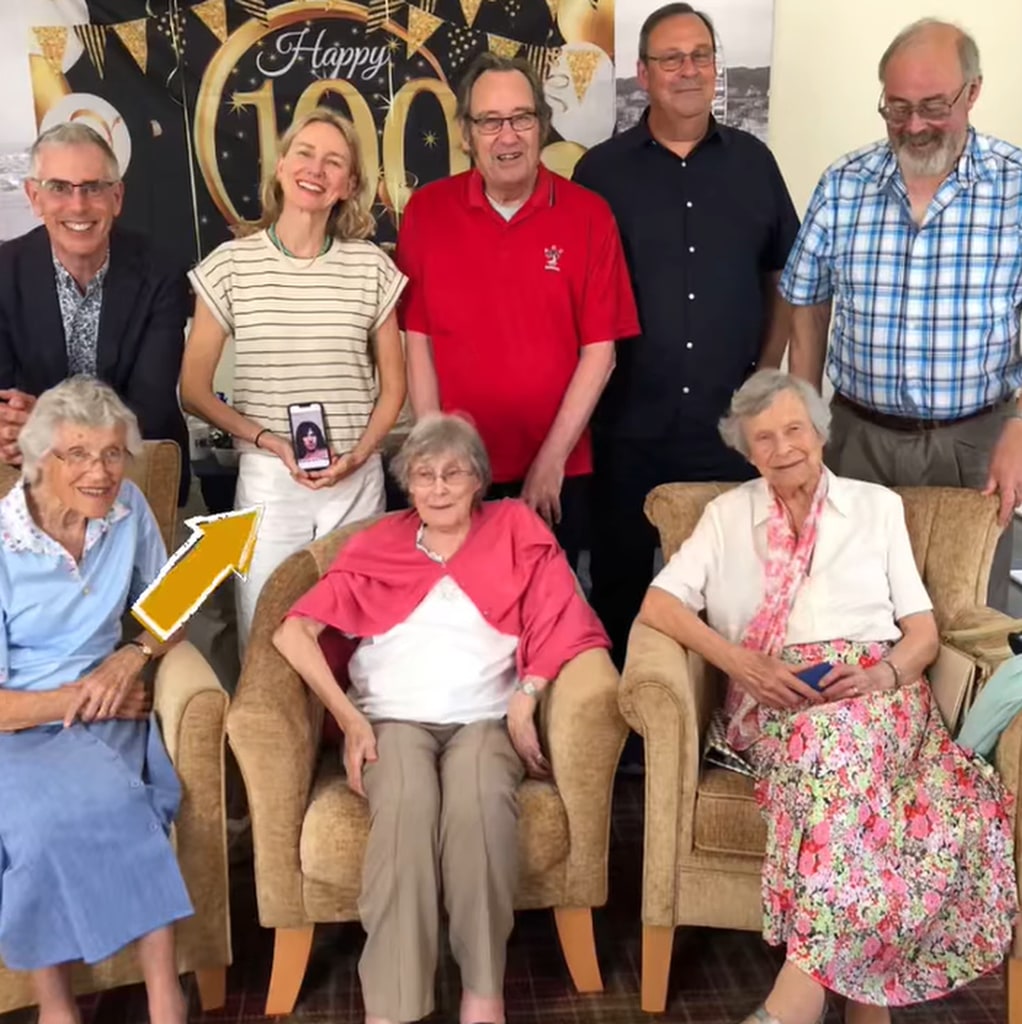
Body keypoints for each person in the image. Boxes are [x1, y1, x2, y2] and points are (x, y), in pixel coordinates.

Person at [638, 370, 1016, 1024]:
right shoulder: (726, 518)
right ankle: (866, 1005)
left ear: (820, 433)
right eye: (764, 438)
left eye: (794, 429)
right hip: (779, 696)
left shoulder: (876, 506)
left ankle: (794, 1003)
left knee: (833, 752)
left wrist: (882, 677)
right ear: (747, 453)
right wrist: (741, 665)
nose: (783, 448)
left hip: (877, 691)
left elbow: (923, 633)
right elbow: (658, 605)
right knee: (821, 746)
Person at [273, 413, 609, 1024]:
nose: (439, 486)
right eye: (424, 474)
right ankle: (396, 1007)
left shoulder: (514, 529)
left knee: (479, 803)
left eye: (454, 472)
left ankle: (483, 994)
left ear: (479, 479)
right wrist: (348, 719)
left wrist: (527, 694)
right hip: (392, 721)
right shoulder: (377, 545)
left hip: (485, 722)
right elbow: (294, 633)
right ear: (407, 484)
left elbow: (567, 618)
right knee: (405, 807)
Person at [571, 2, 800, 665]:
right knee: (617, 587)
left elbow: (784, 276)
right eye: (671, 58)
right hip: (625, 428)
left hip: (727, 429)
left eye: (701, 55)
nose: (689, 70)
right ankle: (624, 736)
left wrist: (766, 374)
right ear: (642, 73)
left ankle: (707, 734)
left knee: (729, 594)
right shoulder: (600, 174)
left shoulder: (754, 163)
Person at [781, 18, 1022, 612]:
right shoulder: (844, 182)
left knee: (966, 616)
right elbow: (808, 303)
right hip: (857, 439)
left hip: (974, 441)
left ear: (974, 92)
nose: (914, 125)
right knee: (849, 609)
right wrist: (804, 422)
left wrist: (1019, 430)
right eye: (897, 107)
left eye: (934, 106)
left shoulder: (1016, 187)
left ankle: (968, 712)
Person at [395, 53, 639, 569]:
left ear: (541, 126)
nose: (508, 136)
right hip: (457, 470)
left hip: (557, 470)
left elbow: (601, 352)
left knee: (546, 624)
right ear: (466, 133)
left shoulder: (589, 215)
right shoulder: (426, 213)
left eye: (522, 118)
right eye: (490, 121)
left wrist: (551, 461)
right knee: (460, 621)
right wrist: (438, 455)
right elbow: (417, 339)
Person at [0, 377, 193, 1024]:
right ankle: (56, 1004)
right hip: (21, 722)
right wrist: (84, 699)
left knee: (120, 796)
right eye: (78, 454)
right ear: (39, 461)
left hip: (106, 706)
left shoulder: (129, 508)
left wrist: (132, 656)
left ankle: (164, 991)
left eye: (113, 453)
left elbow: (174, 605)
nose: (100, 471)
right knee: (35, 829)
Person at [181, 107, 407, 650]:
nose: (316, 169)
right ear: (280, 167)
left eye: (334, 162)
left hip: (355, 478)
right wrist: (269, 442)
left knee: (359, 636)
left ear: (349, 185)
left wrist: (360, 455)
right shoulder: (230, 265)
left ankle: (358, 734)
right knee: (266, 629)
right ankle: (267, 737)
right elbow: (192, 389)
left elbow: (395, 391)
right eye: (304, 153)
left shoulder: (371, 267)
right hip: (268, 477)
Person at [0, 122, 191, 505]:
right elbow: (6, 401)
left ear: (117, 196)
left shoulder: (162, 271)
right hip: (30, 475)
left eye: (93, 187)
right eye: (59, 187)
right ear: (34, 197)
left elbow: (150, 408)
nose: (78, 205)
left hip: (139, 473)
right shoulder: (3, 272)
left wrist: (52, 429)